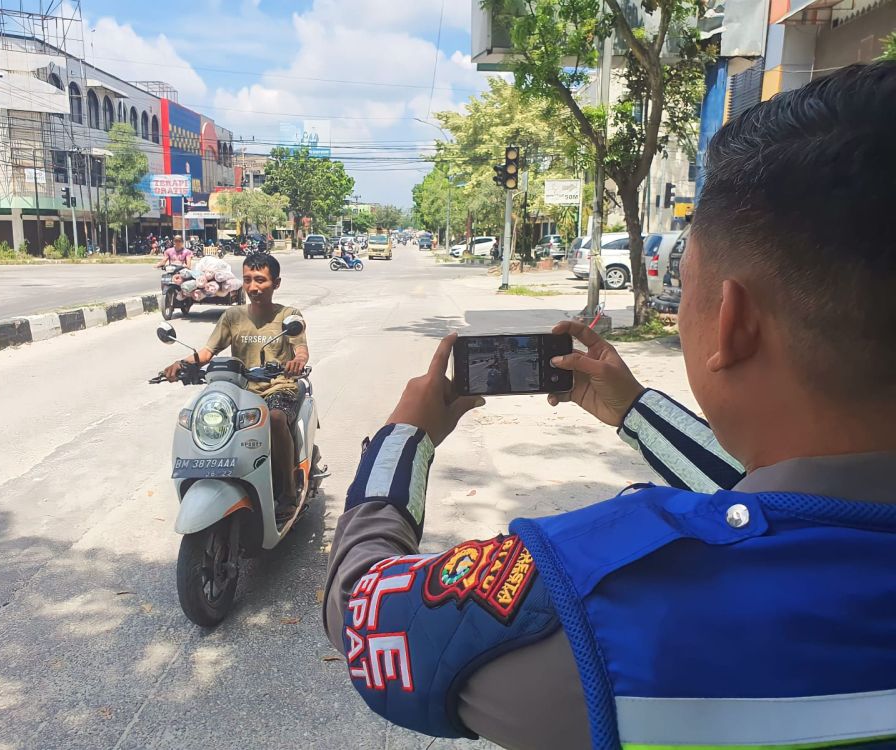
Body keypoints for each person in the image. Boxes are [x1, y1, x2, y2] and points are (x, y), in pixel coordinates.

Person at [323, 61, 896, 749]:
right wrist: (637, 412)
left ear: (733, 323)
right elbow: (798, 504)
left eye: (684, 287)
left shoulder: (600, 593)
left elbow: (363, 610)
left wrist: (403, 440)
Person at [164, 252, 310, 525]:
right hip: (241, 391)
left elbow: (301, 350)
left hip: (278, 388)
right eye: (248, 280)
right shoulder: (232, 316)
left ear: (276, 283)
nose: (254, 287)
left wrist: (296, 362)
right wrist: (179, 363)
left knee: (276, 420)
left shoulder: (288, 316)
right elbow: (207, 352)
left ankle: (288, 493)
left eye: (261, 280)